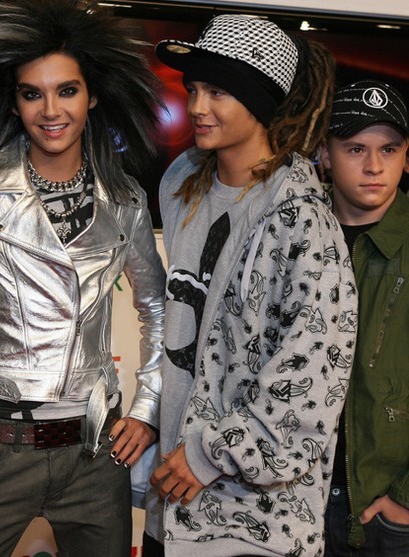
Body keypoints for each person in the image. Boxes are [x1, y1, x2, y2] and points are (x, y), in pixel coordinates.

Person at [0, 1, 165, 556]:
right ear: (14, 102)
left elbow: (159, 311)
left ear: (92, 96)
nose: (51, 110)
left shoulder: (126, 200)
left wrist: (146, 408)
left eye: (67, 90)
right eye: (31, 93)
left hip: (96, 455)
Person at [144, 14, 359, 557]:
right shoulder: (180, 185)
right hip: (172, 505)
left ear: (260, 101)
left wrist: (210, 455)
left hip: (254, 519)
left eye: (218, 91)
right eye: (194, 88)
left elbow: (313, 374)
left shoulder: (303, 220)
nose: (197, 106)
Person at [319, 79, 409, 556]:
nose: (375, 166)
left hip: (386, 515)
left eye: (388, 149)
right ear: (324, 154)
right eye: (356, 148)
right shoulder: (293, 236)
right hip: (294, 505)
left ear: (406, 156)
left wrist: (406, 499)